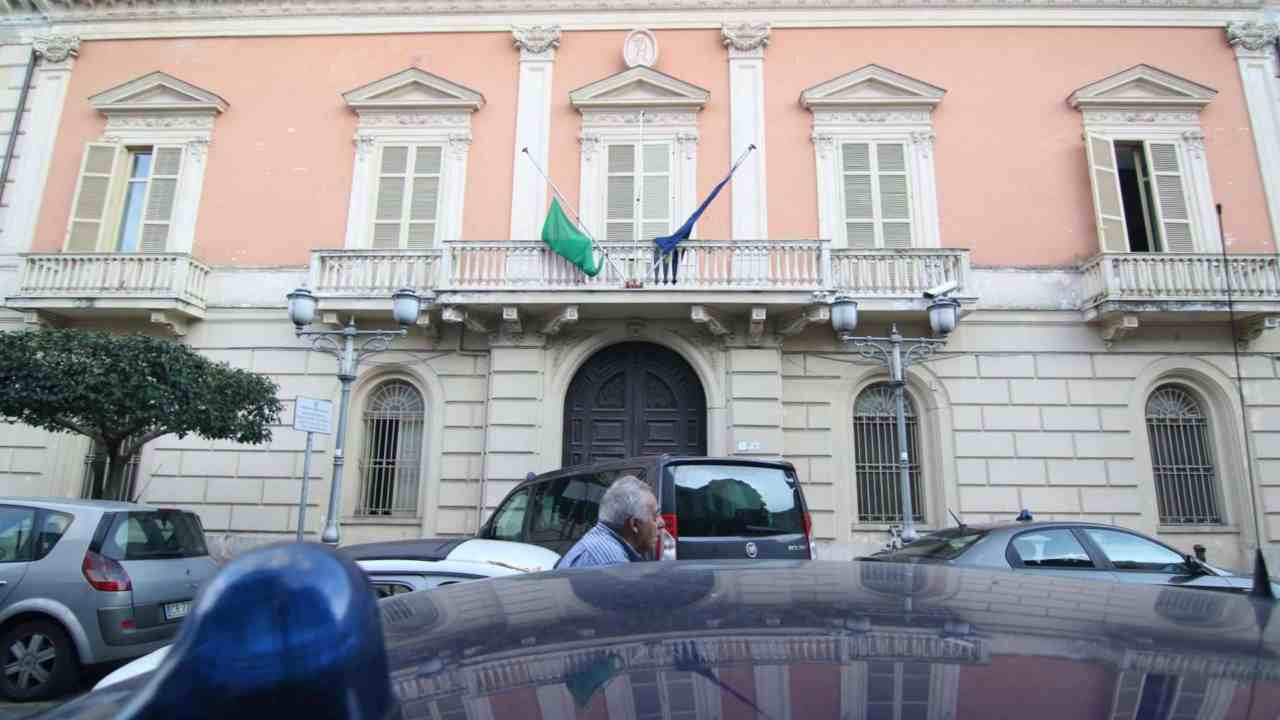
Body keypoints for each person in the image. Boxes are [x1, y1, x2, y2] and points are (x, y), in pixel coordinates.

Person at [555, 476, 664, 569]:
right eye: (655, 517)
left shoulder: (599, 542)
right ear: (634, 524)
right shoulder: (613, 565)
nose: (662, 523)